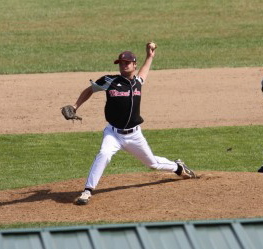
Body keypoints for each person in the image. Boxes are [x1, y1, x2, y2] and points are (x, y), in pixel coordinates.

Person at [72, 42, 196, 205]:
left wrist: (149, 56)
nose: (123, 65)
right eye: (121, 63)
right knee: (104, 154)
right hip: (113, 133)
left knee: (152, 163)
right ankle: (87, 191)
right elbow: (90, 90)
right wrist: (75, 107)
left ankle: (178, 167)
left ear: (134, 65)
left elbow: (144, 72)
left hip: (134, 135)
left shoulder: (138, 81)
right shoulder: (109, 80)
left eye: (127, 63)